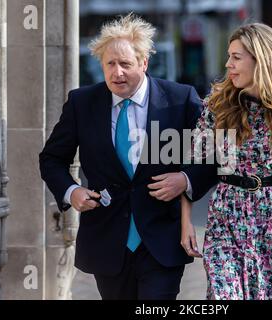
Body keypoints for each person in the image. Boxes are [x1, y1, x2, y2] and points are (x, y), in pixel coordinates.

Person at [39, 13, 210, 300]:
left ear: (144, 63)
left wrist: (185, 179)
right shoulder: (82, 103)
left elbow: (214, 156)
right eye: (110, 64)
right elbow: (51, 159)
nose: (117, 73)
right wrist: (72, 191)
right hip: (107, 241)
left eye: (125, 64)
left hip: (163, 239)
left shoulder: (181, 99)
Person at [180, 22, 272, 300]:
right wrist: (185, 222)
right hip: (228, 217)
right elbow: (191, 165)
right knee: (225, 296)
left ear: (261, 59)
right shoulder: (217, 106)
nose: (228, 64)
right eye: (228, 56)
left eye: (236, 57)